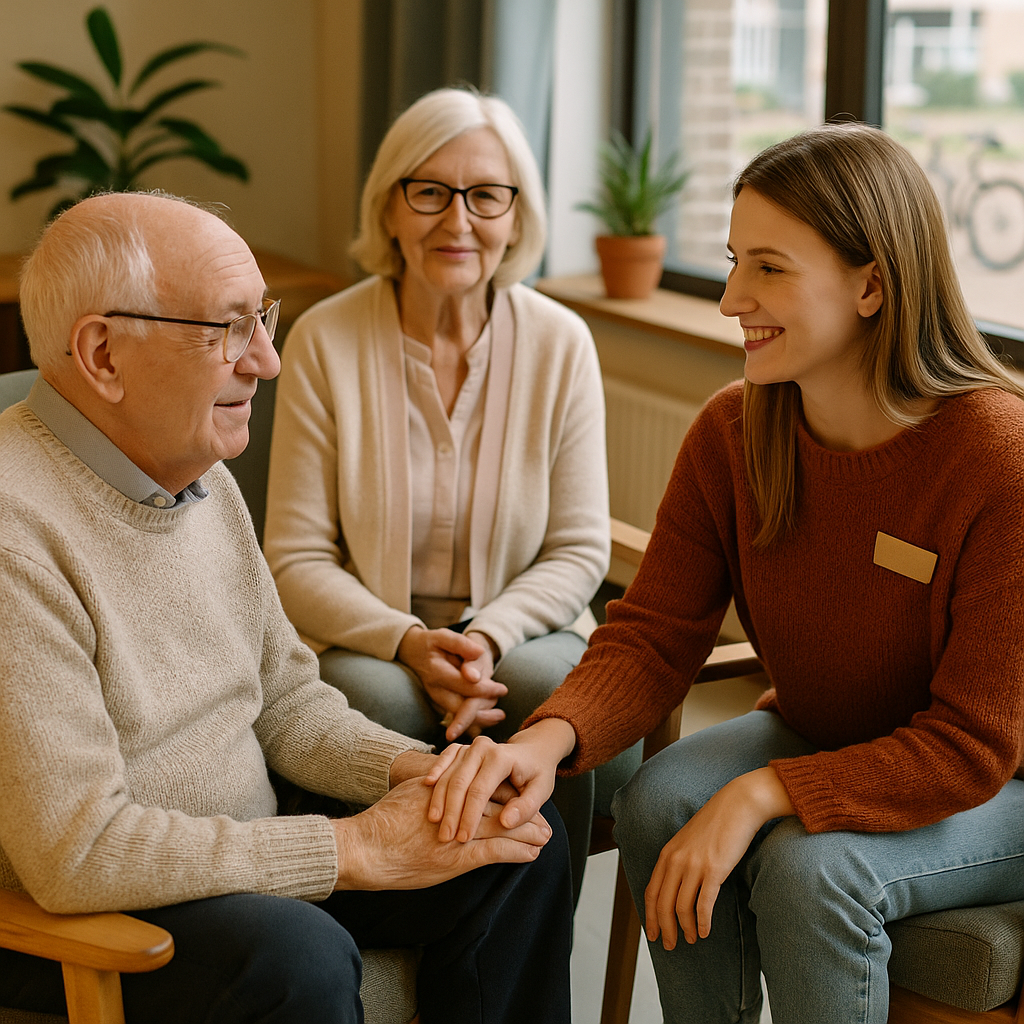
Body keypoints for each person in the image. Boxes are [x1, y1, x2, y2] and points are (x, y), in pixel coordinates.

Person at [422, 122, 1024, 1023]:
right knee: (660, 799)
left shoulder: (995, 459)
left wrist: (763, 792)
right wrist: (539, 746)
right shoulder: (735, 432)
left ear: (872, 284)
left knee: (810, 871)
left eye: (770, 268)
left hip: (994, 780)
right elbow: (655, 631)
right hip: (828, 730)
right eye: (734, 260)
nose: (732, 297)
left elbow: (973, 746)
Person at [0, 190, 573, 1024]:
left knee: (513, 836)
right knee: (297, 955)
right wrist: (351, 849)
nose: (266, 360)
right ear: (103, 354)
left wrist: (419, 772)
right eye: (228, 328)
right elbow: (78, 852)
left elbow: (288, 704)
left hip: (238, 857)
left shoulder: (200, 480)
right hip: (78, 914)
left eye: (262, 320)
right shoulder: (15, 536)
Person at [263, 86, 636, 898]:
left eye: (485, 195)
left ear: (516, 214)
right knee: (365, 697)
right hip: (371, 635)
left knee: (550, 700)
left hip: (520, 628)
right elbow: (292, 557)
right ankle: (401, 926)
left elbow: (578, 547)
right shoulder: (325, 339)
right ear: (390, 207)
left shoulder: (560, 343)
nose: (457, 220)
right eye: (428, 191)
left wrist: (484, 636)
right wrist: (409, 642)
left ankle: (523, 933)